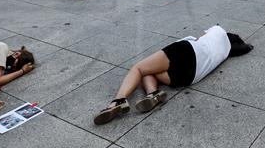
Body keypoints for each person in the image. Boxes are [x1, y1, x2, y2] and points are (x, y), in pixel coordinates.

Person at [93, 26, 252, 124]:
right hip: (190, 76)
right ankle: (152, 94)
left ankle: (118, 101)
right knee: (150, 71)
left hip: (187, 51)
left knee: (139, 68)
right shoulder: (225, 53)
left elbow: (199, 38)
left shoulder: (219, 30)